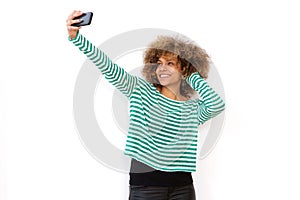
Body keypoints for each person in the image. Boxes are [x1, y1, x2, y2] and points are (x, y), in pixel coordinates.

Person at [66, 10, 225, 200]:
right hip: (147, 185)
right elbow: (107, 67)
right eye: (158, 63)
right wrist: (78, 39)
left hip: (183, 186)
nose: (162, 68)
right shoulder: (139, 90)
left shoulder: (191, 108)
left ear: (183, 67)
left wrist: (190, 73)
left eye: (170, 63)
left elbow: (216, 104)